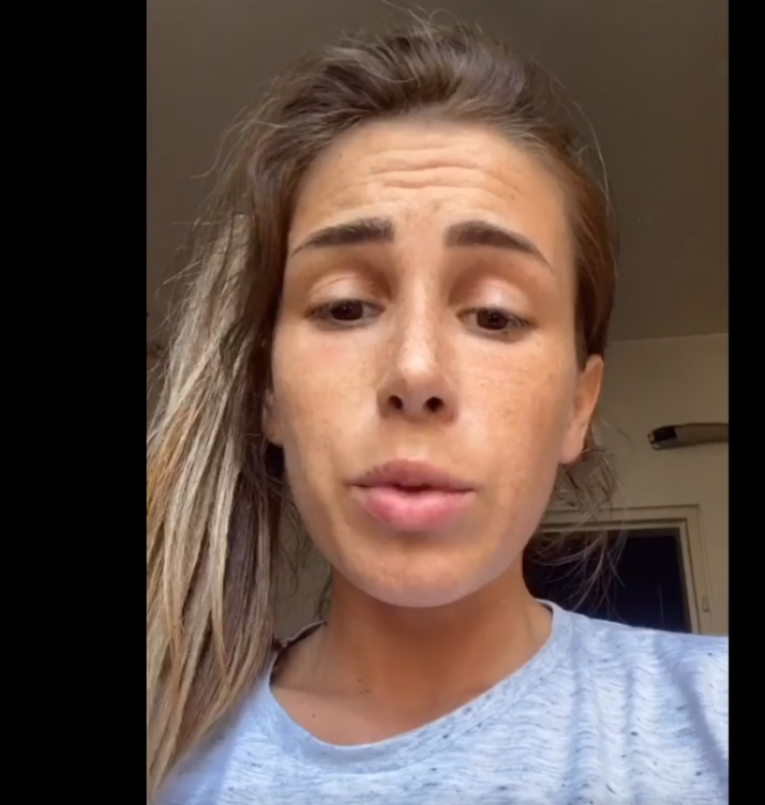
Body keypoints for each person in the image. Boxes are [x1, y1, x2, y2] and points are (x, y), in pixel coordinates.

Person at [146, 19, 728, 805]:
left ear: (577, 406)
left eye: (494, 314)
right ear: (268, 394)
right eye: (345, 305)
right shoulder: (172, 765)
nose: (415, 371)